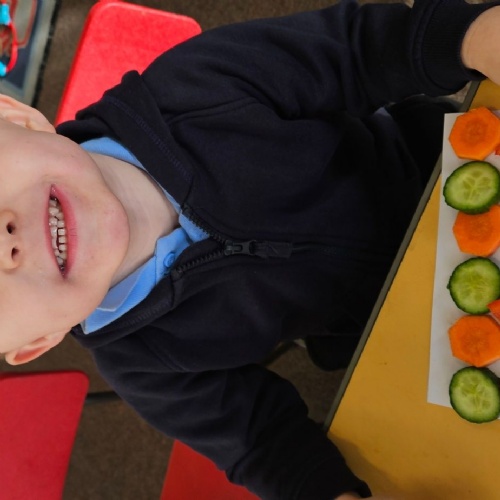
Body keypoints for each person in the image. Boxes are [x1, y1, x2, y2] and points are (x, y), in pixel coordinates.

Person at [1, 0, 499, 497]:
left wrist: (473, 37)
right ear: (39, 340)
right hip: (399, 327)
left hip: (440, 167)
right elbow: (262, 444)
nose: (3, 242)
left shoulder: (192, 87)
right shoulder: (142, 366)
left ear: (16, 119)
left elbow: (360, 50)